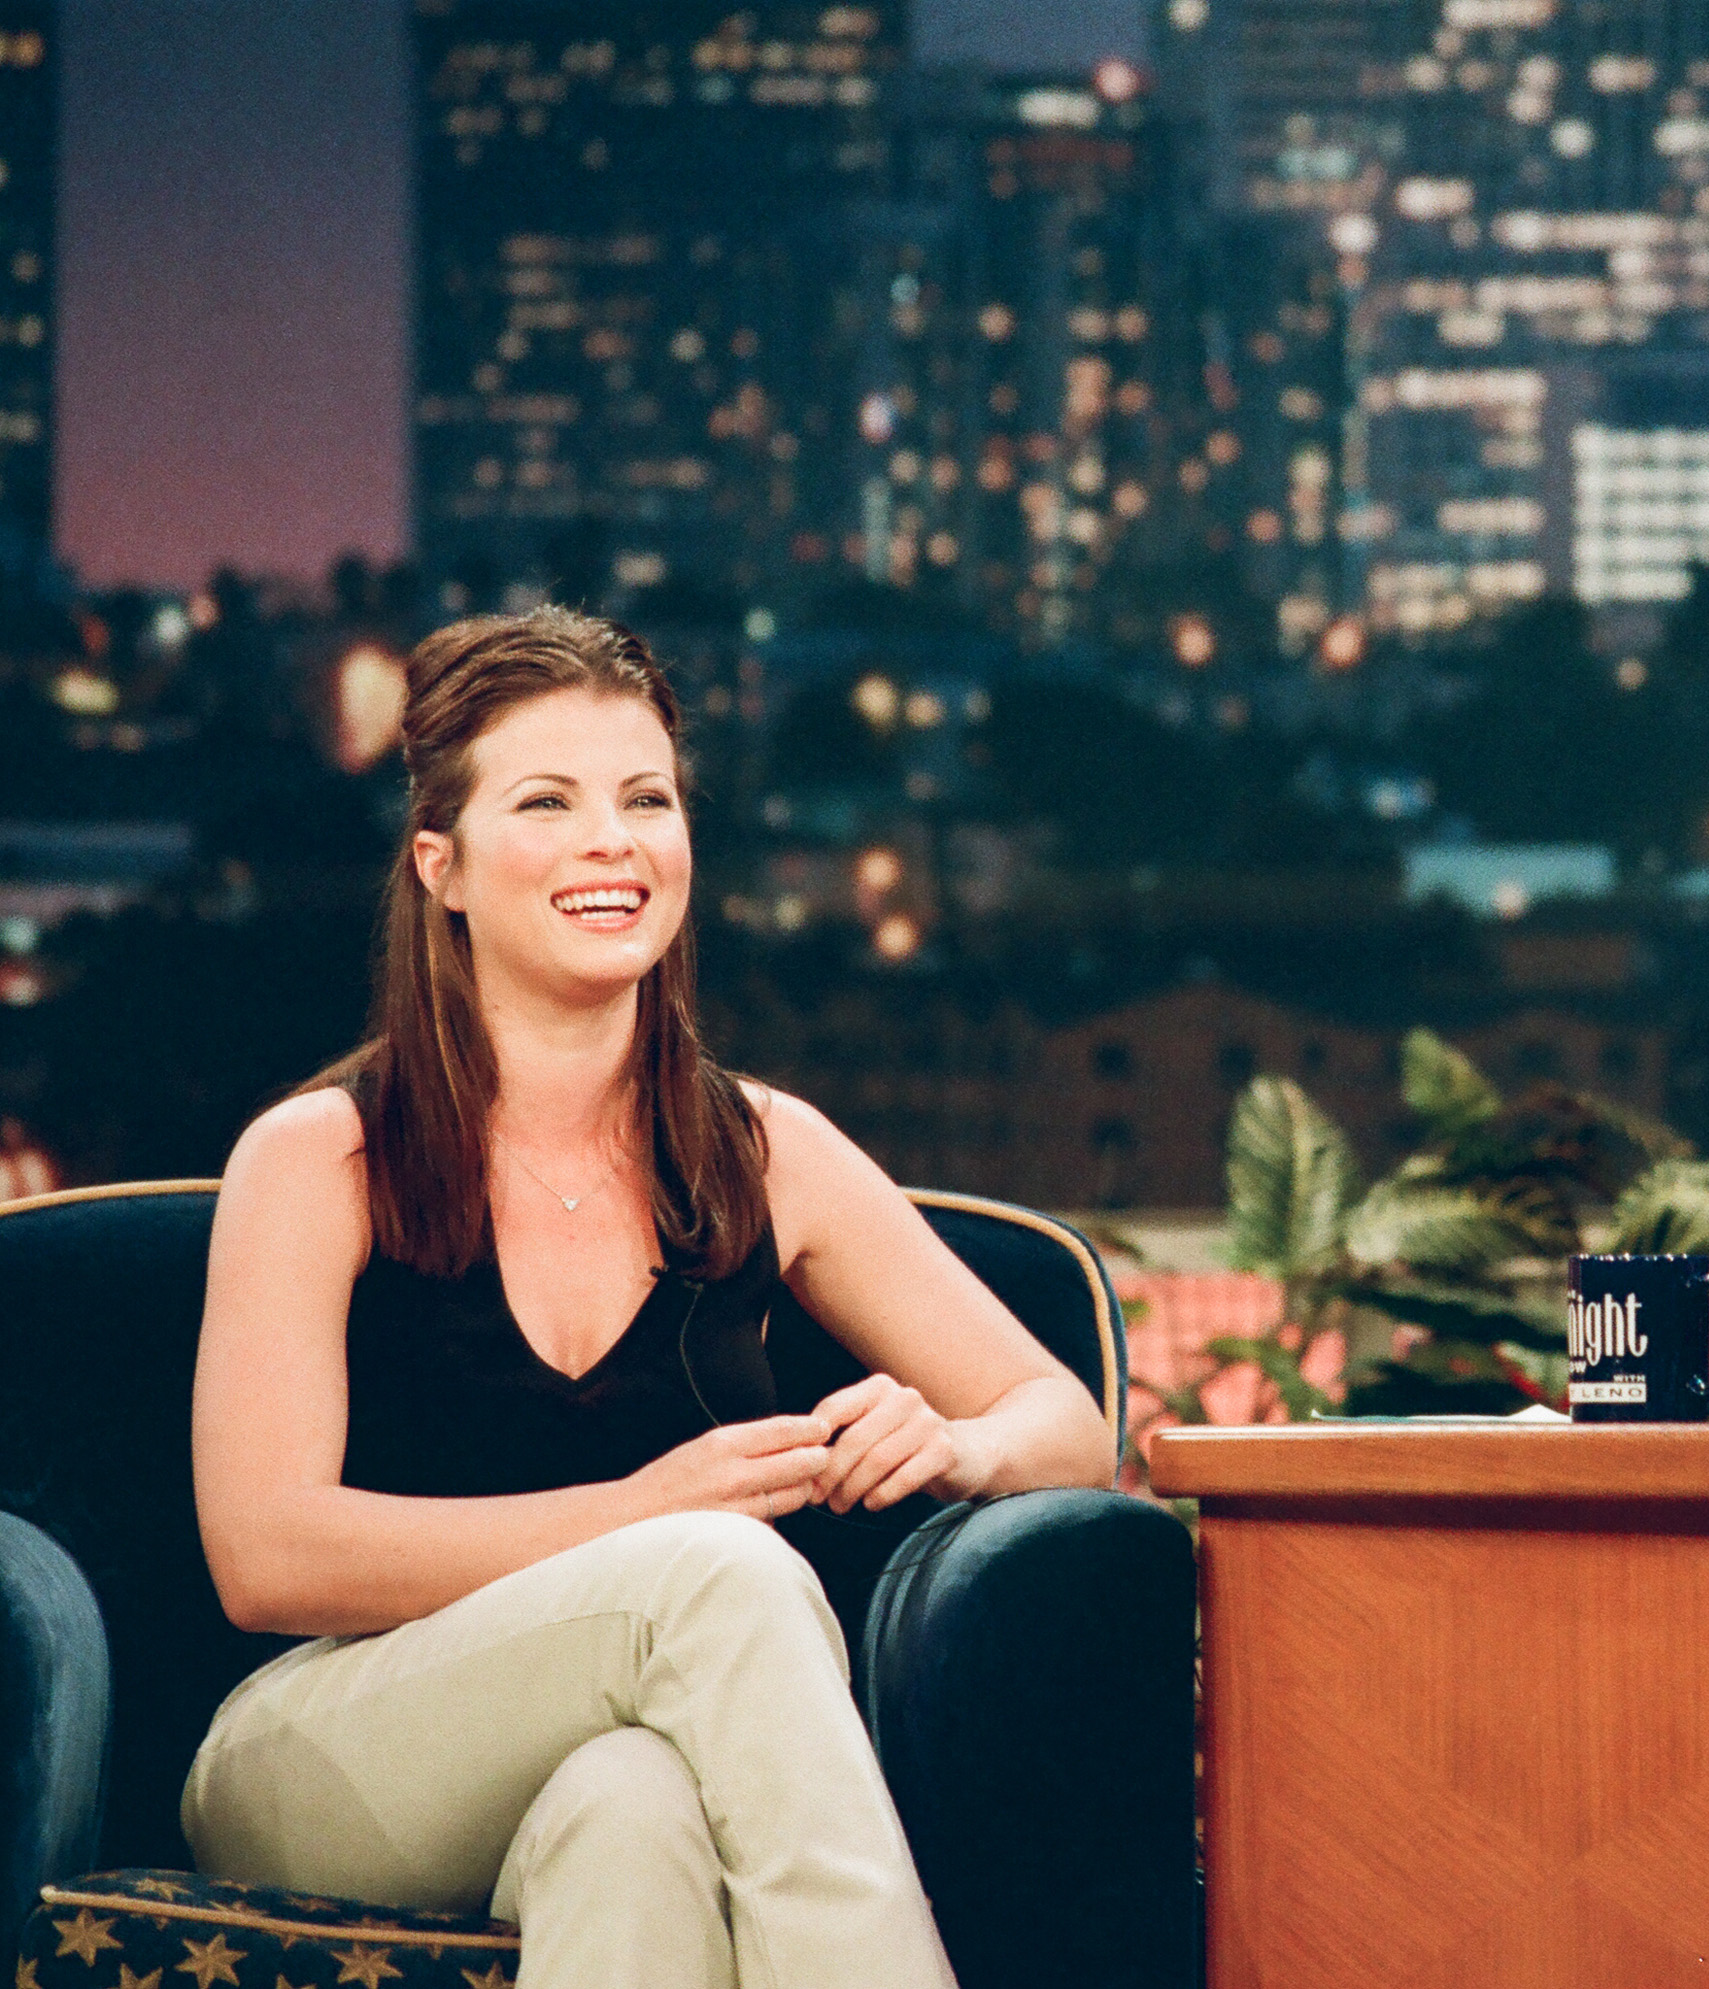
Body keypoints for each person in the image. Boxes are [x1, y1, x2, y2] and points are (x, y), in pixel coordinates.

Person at [186, 607, 1114, 1986]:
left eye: (647, 800)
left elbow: (1071, 1429)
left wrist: (962, 1445)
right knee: (723, 1569)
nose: (612, 840)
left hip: (613, 1755)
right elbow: (267, 1558)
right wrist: (647, 1512)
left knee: (633, 1812)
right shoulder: (322, 1155)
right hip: (329, 1746)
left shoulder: (765, 1150)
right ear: (440, 863)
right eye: (547, 802)